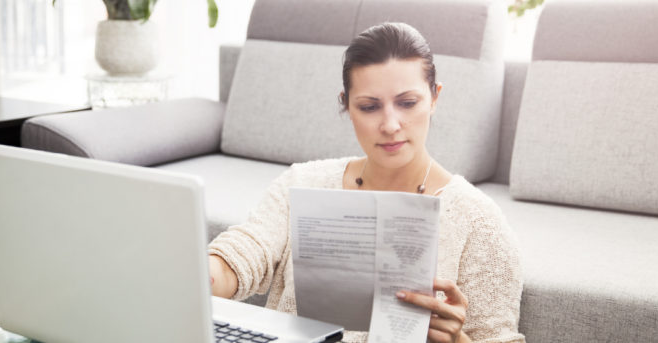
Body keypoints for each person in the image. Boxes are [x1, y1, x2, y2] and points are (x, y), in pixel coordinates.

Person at [207, 22, 524, 343]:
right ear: (346, 104)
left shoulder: (479, 222)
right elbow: (246, 251)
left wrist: (457, 341)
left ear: (434, 97)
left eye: (407, 102)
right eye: (369, 107)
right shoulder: (303, 182)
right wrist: (206, 274)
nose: (389, 125)